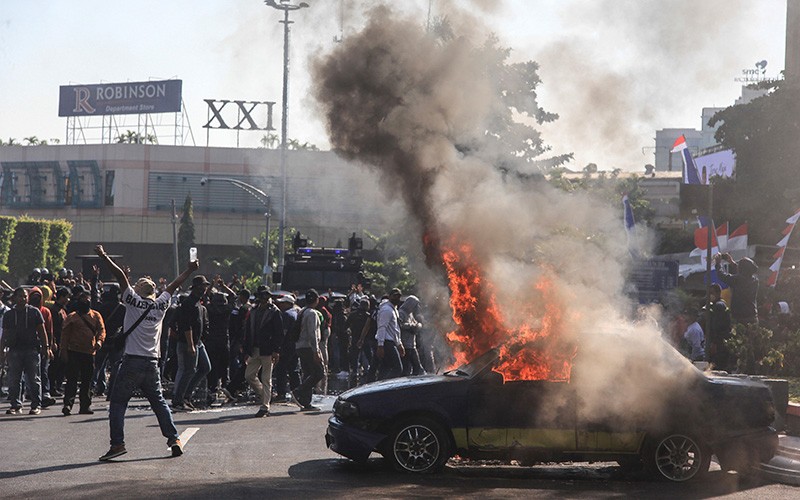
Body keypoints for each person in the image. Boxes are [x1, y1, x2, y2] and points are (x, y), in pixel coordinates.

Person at [94, 244, 197, 461]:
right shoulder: (161, 305)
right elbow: (175, 284)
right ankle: (174, 438)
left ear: (137, 291)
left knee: (119, 403)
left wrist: (104, 256)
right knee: (158, 402)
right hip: (152, 363)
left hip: (132, 361)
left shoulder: (132, 302)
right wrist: (190, 270)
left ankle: (117, 444)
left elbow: (120, 275)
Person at [2, 287, 51, 415]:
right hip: (14, 351)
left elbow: (42, 331)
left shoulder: (34, 312)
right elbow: (5, 334)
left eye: (25, 296)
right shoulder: (9, 314)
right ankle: (15, 405)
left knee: (34, 379)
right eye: (20, 296)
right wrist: (1, 351)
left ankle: (36, 405)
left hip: (32, 350)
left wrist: (46, 347)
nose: (23, 299)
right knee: (14, 380)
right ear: (14, 298)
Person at [60, 287, 106, 415]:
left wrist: (99, 341)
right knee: (72, 380)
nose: (85, 303)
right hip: (73, 352)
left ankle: (85, 406)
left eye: (87, 301)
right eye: (83, 300)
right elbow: (65, 335)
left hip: (89, 353)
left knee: (87, 381)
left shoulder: (96, 316)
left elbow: (102, 330)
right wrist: (63, 351)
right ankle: (68, 405)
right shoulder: (72, 317)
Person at [242, 285, 284, 418]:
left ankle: (265, 406)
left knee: (266, 378)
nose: (264, 299)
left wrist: (276, 350)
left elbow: (279, 333)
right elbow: (248, 331)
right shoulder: (253, 311)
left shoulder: (274, 312)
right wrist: (246, 349)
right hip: (254, 349)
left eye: (266, 296)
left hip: (268, 350)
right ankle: (265, 395)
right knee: (249, 375)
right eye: (262, 296)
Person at [172, 275, 212, 411]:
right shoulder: (188, 303)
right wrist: (190, 344)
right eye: (201, 287)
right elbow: (186, 325)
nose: (204, 289)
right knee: (188, 371)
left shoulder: (199, 304)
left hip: (198, 342)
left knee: (205, 367)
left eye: (205, 287)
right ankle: (179, 400)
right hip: (189, 343)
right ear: (195, 288)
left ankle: (187, 396)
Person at [291, 289, 325, 411]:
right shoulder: (312, 313)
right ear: (316, 300)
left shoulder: (302, 311)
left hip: (300, 346)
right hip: (309, 347)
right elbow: (313, 333)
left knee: (307, 374)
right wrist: (316, 351)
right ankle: (298, 391)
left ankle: (306, 403)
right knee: (319, 373)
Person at [28, 287, 56, 408]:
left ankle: (45, 394)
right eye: (33, 296)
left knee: (43, 371)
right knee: (30, 373)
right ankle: (31, 394)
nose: (36, 299)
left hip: (42, 345)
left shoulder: (45, 311)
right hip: (28, 346)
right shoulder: (25, 311)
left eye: (38, 297)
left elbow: (49, 331)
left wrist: (48, 347)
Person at [714, 253, 759, 325]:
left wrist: (718, 264)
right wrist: (732, 262)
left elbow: (723, 276)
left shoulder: (738, 280)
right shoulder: (755, 280)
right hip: (752, 314)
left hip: (740, 316)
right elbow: (744, 273)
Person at [272, 293, 300, 403]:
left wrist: (278, 347)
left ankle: (281, 394)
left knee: (281, 370)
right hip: (295, 345)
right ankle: (297, 393)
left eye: (282, 303)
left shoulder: (286, 315)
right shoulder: (297, 312)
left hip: (286, 346)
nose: (280, 305)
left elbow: (282, 333)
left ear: (288, 303)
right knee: (294, 370)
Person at [703, 284, 734, 372]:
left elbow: (717, 327)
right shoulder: (720, 304)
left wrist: (714, 343)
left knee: (716, 367)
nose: (709, 295)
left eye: (711, 293)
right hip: (720, 342)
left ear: (718, 293)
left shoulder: (719, 306)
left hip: (719, 343)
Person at [376, 288, 405, 380]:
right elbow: (382, 327)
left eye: (399, 296)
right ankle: (384, 387)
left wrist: (399, 344)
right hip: (386, 342)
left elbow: (394, 329)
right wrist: (380, 345)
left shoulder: (393, 310)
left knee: (384, 368)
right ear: (389, 296)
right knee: (397, 368)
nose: (397, 298)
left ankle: (379, 386)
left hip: (390, 342)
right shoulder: (387, 310)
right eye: (395, 296)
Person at [398, 295, 426, 376]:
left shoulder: (410, 314)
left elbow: (416, 323)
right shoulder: (401, 313)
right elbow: (400, 325)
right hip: (405, 344)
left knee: (417, 366)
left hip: (412, 344)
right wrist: (411, 326)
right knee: (406, 367)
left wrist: (418, 325)